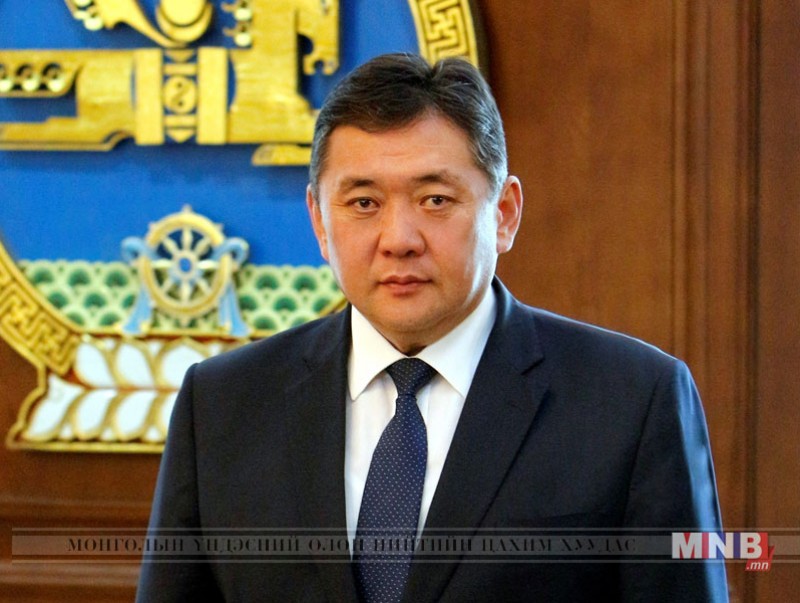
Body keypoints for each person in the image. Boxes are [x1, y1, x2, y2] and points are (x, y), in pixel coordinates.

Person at [136, 53, 728, 602]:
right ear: (319, 221)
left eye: (436, 200)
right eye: (363, 203)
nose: (399, 239)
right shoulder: (223, 404)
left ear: (504, 214)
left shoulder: (633, 401)